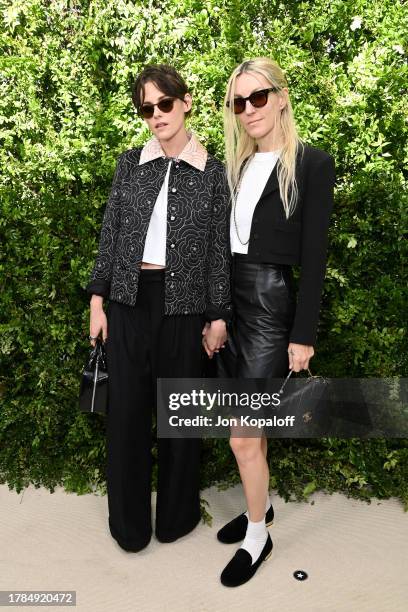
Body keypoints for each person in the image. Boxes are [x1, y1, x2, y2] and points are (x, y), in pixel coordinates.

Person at [86, 64, 232, 552]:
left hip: (185, 306)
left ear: (185, 102)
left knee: (179, 418)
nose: (155, 116)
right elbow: (110, 235)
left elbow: (217, 249)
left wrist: (217, 315)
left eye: (164, 104)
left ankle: (177, 517)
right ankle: (127, 526)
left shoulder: (213, 171)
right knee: (126, 416)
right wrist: (97, 300)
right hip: (128, 301)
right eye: (146, 108)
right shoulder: (130, 163)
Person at [206, 57, 335, 587]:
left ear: (281, 97)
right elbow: (220, 247)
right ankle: (263, 509)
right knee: (245, 432)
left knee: (242, 435)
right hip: (229, 303)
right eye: (239, 102)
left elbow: (315, 254)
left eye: (258, 97)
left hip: (268, 303)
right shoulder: (234, 165)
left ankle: (257, 535)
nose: (248, 110)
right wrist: (214, 312)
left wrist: (302, 334)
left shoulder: (310, 162)